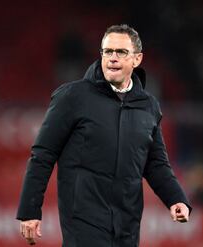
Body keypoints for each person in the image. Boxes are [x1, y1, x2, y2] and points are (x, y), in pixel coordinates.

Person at [16, 24, 191, 247]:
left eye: (121, 52)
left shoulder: (148, 107)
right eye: (107, 51)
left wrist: (176, 198)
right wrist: (30, 210)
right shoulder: (72, 97)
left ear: (137, 59)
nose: (113, 58)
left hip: (128, 224)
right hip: (83, 222)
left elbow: (156, 163)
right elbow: (42, 155)